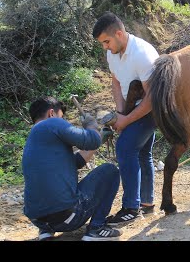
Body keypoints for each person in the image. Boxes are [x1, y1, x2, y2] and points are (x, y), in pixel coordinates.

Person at [22, 96, 121, 241]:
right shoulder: (52, 123)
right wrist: (91, 125)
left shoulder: (34, 138)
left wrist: (99, 139)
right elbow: (91, 140)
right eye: (61, 117)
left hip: (38, 219)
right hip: (68, 217)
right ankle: (96, 228)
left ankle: (45, 232)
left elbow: (74, 162)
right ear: (51, 113)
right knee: (110, 170)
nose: (62, 121)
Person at [92, 12, 159, 225]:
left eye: (106, 41)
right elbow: (116, 83)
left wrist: (126, 120)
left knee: (125, 149)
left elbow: (151, 99)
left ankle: (131, 207)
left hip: (153, 109)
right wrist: (121, 113)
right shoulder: (113, 53)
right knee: (142, 153)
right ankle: (146, 203)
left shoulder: (143, 54)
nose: (105, 47)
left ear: (119, 34)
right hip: (133, 108)